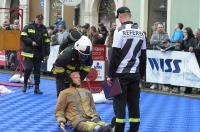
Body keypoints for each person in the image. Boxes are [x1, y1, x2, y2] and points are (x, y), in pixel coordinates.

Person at [106, 7, 146, 132]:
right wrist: (142, 75)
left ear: (119, 16)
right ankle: (134, 129)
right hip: (135, 73)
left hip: (121, 74)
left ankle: (119, 130)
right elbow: (144, 56)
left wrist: (110, 75)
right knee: (134, 104)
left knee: (120, 104)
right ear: (130, 15)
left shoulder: (119, 31)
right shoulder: (140, 32)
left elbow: (115, 55)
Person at [20, 14, 50, 94]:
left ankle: (37, 88)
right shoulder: (29, 26)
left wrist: (47, 53)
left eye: (41, 19)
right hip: (29, 51)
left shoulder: (44, 29)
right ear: (35, 19)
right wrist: (31, 42)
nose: (39, 20)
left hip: (39, 52)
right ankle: (25, 85)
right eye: (38, 19)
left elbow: (47, 41)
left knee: (37, 71)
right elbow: (22, 37)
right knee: (28, 68)